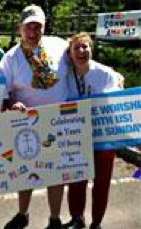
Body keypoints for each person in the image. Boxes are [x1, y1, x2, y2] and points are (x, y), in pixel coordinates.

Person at [0, 4, 69, 229]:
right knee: (26, 173)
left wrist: (109, 74)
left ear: (43, 27)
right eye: (28, 26)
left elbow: (81, 60)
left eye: (37, 26)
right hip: (26, 122)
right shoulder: (11, 58)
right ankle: (23, 213)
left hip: (58, 120)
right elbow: (3, 91)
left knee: (55, 175)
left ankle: (55, 219)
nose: (32, 32)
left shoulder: (59, 45)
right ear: (20, 27)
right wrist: (11, 103)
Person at [63, 32, 123, 229]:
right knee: (77, 180)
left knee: (102, 182)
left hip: (104, 138)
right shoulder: (65, 76)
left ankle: (96, 222)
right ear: (70, 53)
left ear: (91, 49)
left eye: (85, 47)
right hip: (77, 138)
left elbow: (119, 102)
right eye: (77, 48)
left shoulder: (106, 74)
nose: (82, 51)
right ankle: (77, 218)